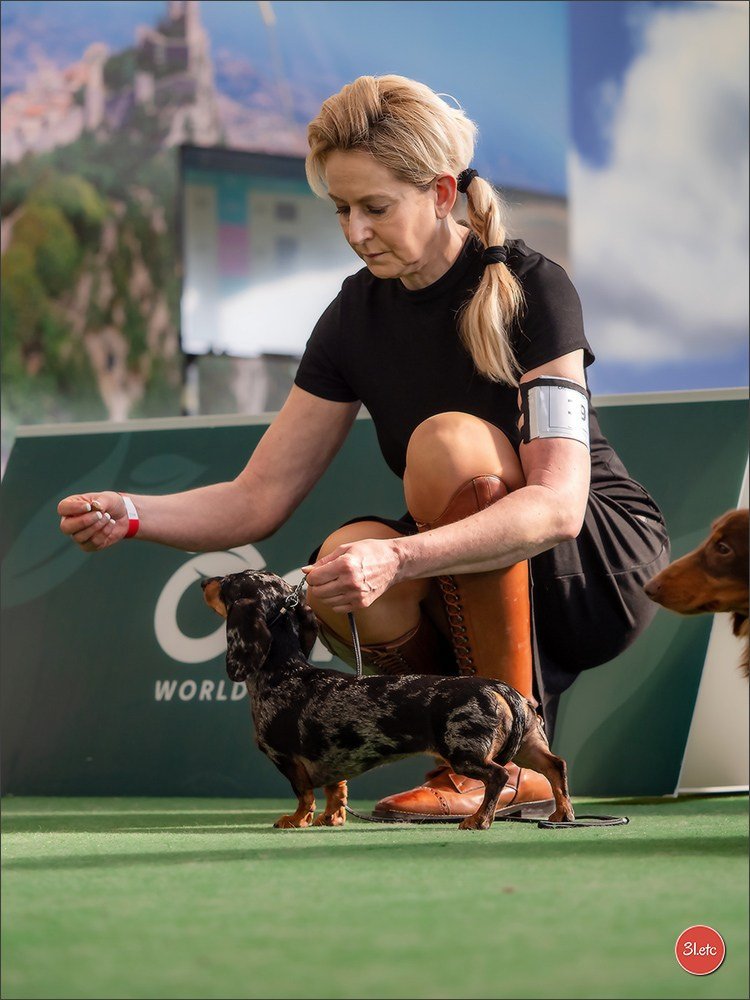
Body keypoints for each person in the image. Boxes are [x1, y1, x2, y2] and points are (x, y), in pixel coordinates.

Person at [57, 74, 670, 821]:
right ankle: (465, 759)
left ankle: (511, 770)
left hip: (594, 567)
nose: (354, 230)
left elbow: (557, 508)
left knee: (445, 447)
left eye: (375, 207)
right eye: (342, 209)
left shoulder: (533, 286)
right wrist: (128, 512)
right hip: (473, 561)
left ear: (442, 193)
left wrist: (401, 557)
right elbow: (257, 498)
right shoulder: (351, 316)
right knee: (342, 563)